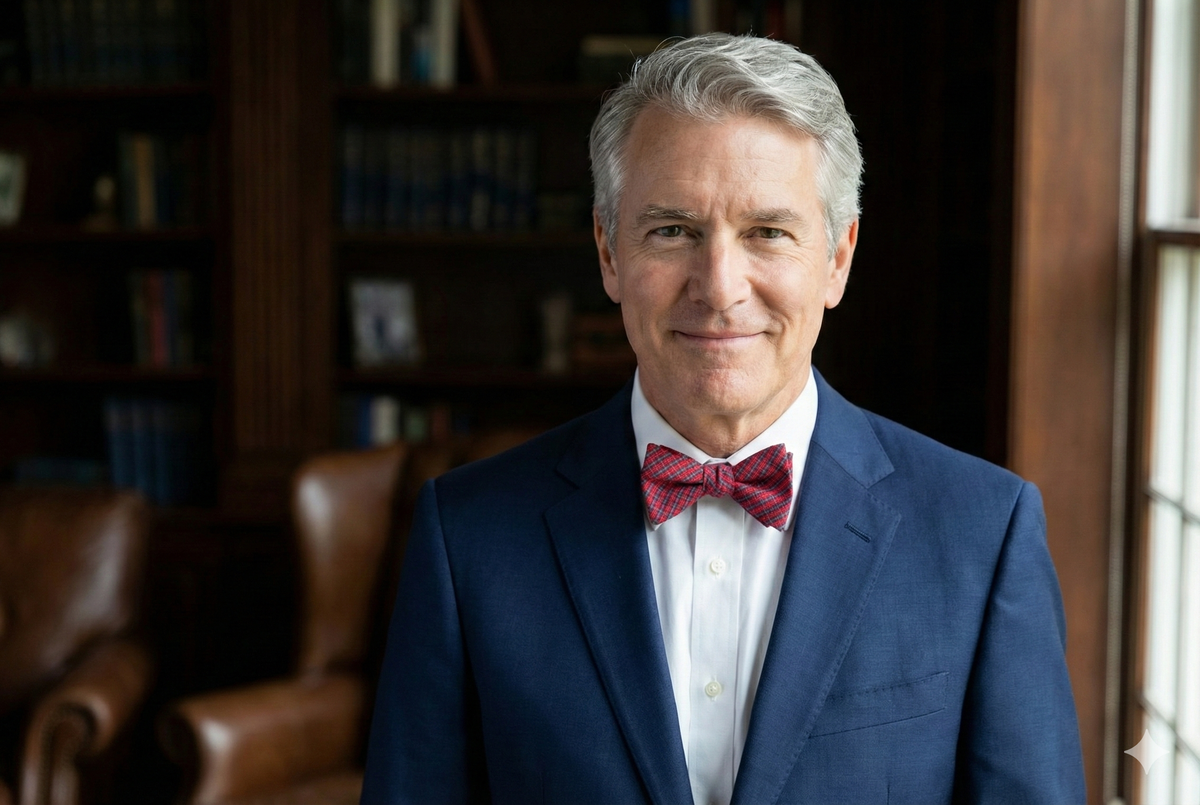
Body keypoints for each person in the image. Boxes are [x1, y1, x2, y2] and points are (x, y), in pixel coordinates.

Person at [360, 33, 1085, 804]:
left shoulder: (982, 531)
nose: (719, 285)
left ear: (837, 257)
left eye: (767, 232)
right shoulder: (466, 534)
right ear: (608, 252)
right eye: (672, 230)